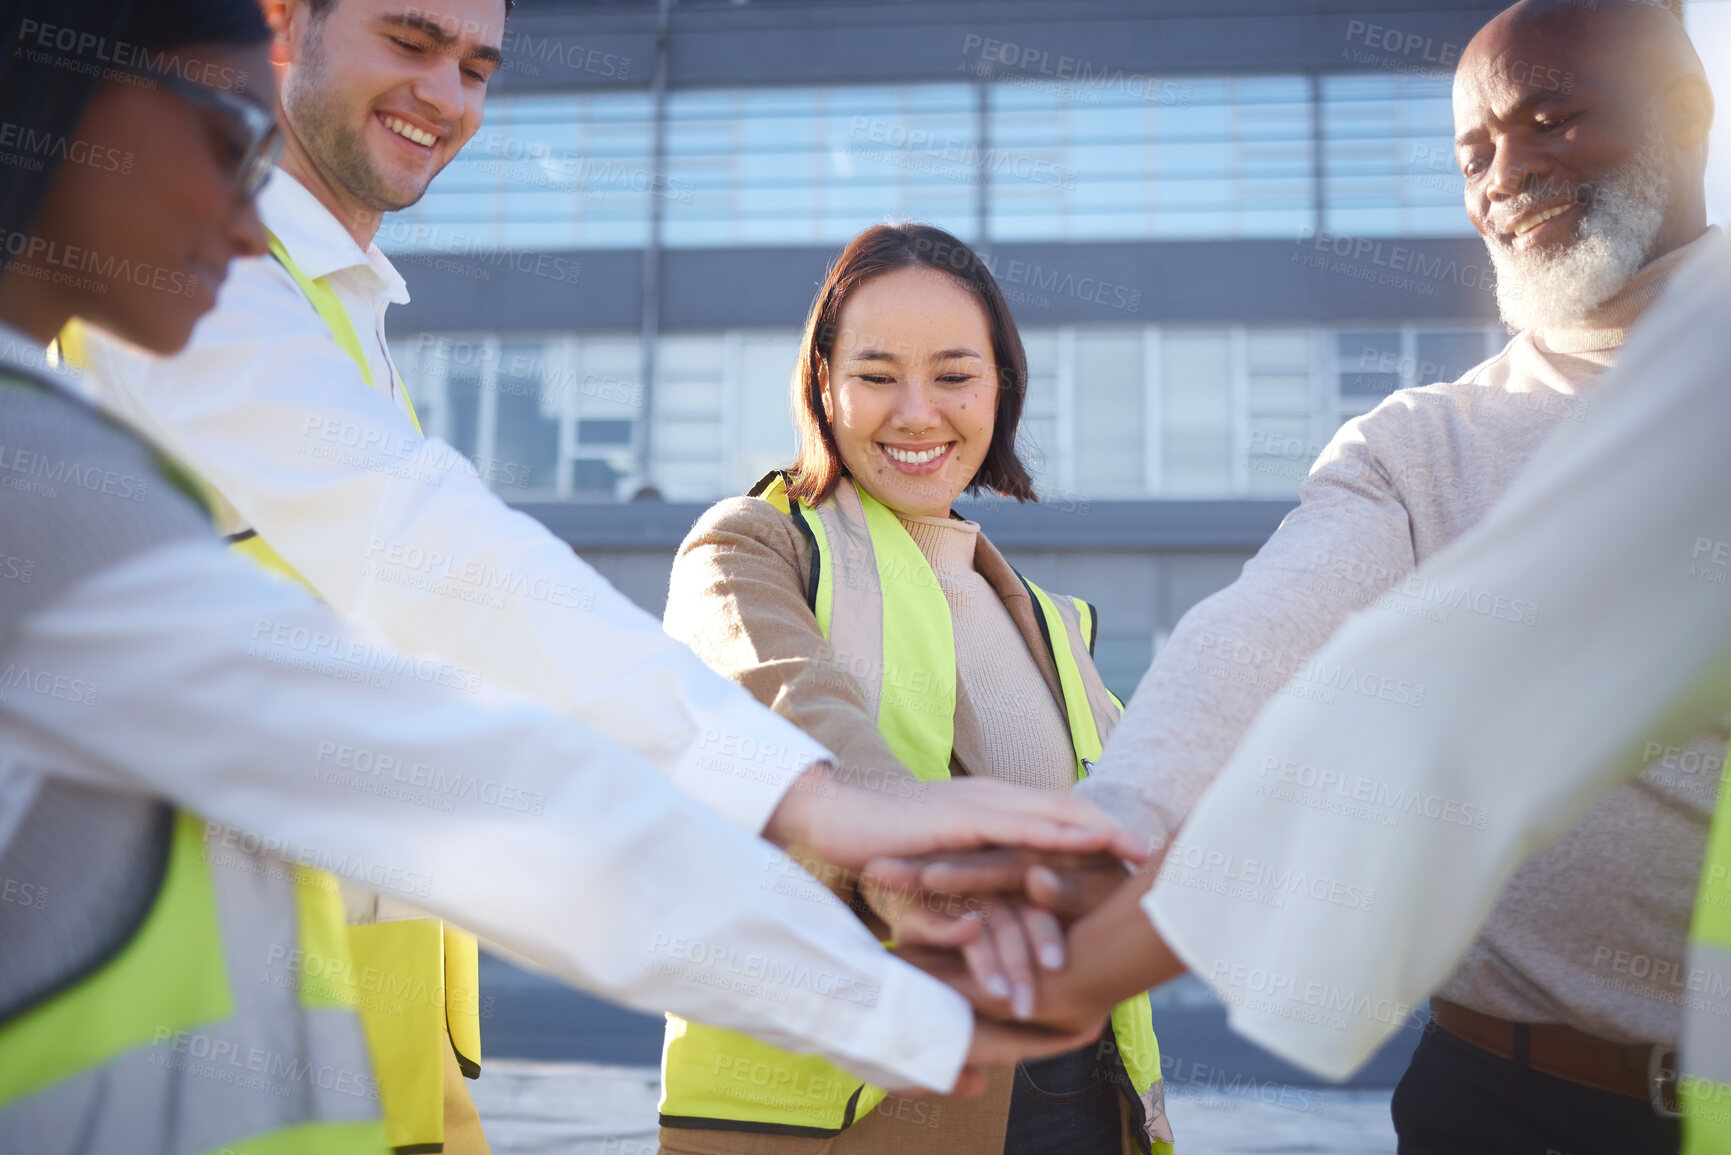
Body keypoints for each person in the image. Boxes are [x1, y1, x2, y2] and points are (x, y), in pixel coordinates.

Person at [0, 1, 1140, 1148]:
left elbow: (444, 771)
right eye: (219, 141)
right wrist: (830, 828)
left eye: (479, 65)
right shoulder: (71, 468)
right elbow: (441, 650)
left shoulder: (1043, 614)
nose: (448, 95)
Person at [878, 3, 1721, 1153]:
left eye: (1554, 120)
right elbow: (1251, 642)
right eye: (1473, 155)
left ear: (1687, 110)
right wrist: (1110, 831)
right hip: (1499, 1101)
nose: (1508, 176)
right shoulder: (1424, 442)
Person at [652, 225, 1170, 1155]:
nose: (917, 412)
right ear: (823, 384)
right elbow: (795, 725)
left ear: (1001, 387)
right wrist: (905, 866)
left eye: (955, 375)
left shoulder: (1052, 622)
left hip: (1079, 1097)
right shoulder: (751, 547)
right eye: (878, 374)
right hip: (844, 1115)